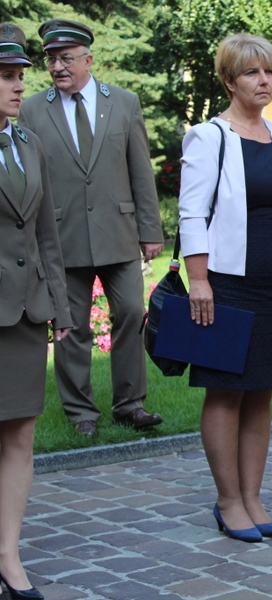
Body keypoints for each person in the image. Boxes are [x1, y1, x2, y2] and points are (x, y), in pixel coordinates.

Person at [179, 33, 272, 543]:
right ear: (230, 80)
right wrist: (198, 280)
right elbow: (191, 213)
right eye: (254, 73)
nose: (266, 81)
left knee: (262, 392)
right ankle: (228, 500)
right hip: (226, 283)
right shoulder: (209, 137)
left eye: (270, 72)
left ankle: (254, 496)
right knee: (226, 391)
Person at [18, 19, 165, 438]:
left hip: (118, 233)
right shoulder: (31, 109)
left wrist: (150, 230)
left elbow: (140, 170)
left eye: (66, 58)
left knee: (132, 315)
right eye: (51, 60)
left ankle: (130, 404)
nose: (57, 67)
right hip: (61, 239)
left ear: (89, 60)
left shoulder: (122, 102)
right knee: (71, 326)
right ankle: (81, 412)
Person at [0, 23, 72, 600]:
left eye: (20, 76)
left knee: (20, 435)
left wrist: (60, 304)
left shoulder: (29, 143)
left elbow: (46, 233)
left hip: (23, 315)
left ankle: (8, 554)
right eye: (5, 77)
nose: (18, 86)